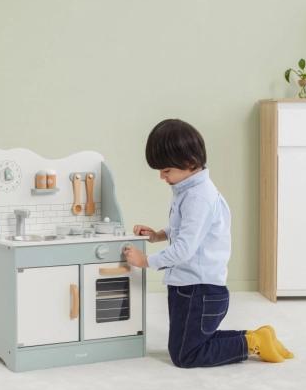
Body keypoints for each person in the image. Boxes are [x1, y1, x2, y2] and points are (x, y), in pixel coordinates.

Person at [123, 119, 294, 368]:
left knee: (185, 355)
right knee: (193, 341)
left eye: (166, 170)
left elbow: (185, 248)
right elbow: (189, 231)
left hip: (198, 290)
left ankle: (252, 343)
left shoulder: (198, 197)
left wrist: (146, 261)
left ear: (190, 162)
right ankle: (257, 337)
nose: (162, 177)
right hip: (193, 287)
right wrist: (158, 234)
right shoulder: (190, 191)